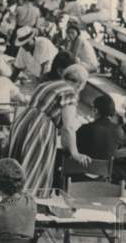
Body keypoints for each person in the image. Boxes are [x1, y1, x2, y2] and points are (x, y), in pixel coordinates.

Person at [6, 52, 92, 191]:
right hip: (39, 128)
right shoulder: (70, 91)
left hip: (23, 121)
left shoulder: (47, 84)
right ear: (81, 83)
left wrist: (67, 146)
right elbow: (68, 126)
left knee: (18, 166)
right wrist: (75, 153)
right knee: (33, 169)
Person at [75, 93, 123, 163]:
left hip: (81, 168)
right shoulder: (119, 131)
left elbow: (72, 147)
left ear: (95, 110)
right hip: (103, 171)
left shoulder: (86, 128)